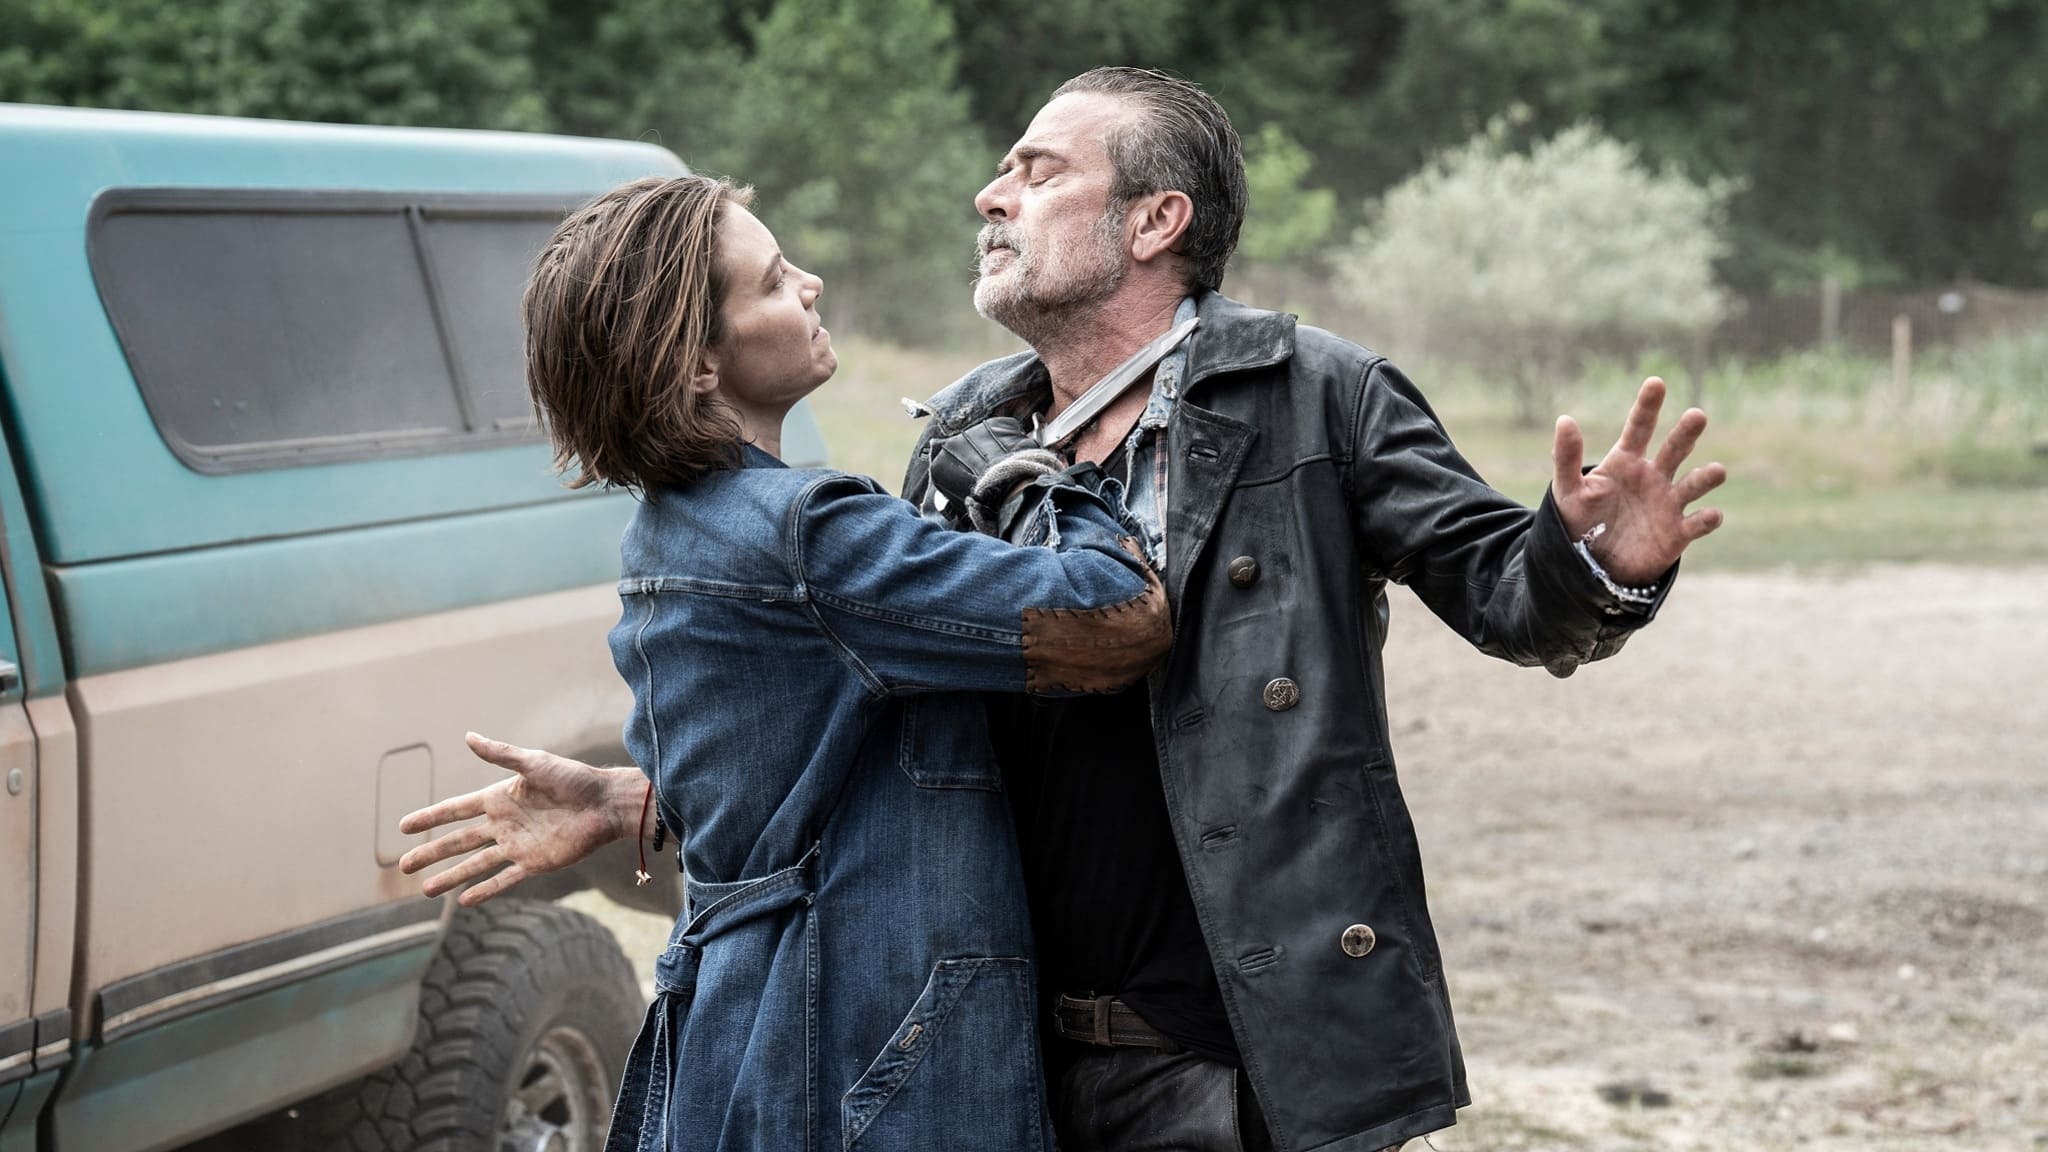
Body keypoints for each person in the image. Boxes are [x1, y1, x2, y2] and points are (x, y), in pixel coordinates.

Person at [414, 68, 1727, 1152]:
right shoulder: (969, 433)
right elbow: (888, 717)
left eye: (1037, 171)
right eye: (1002, 169)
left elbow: (1511, 596)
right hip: (997, 1051)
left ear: (1154, 221)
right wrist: (651, 799)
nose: (991, 195)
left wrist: (1597, 564)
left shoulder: (1315, 396)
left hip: (1241, 1055)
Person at [399, 173, 1173, 1152]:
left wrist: (631, 799)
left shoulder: (674, 527)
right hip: (861, 1056)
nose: (809, 284)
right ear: (696, 365)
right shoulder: (808, 533)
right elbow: (1118, 616)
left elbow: (794, 752)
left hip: (755, 1037)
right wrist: (1035, 472)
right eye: (770, 282)